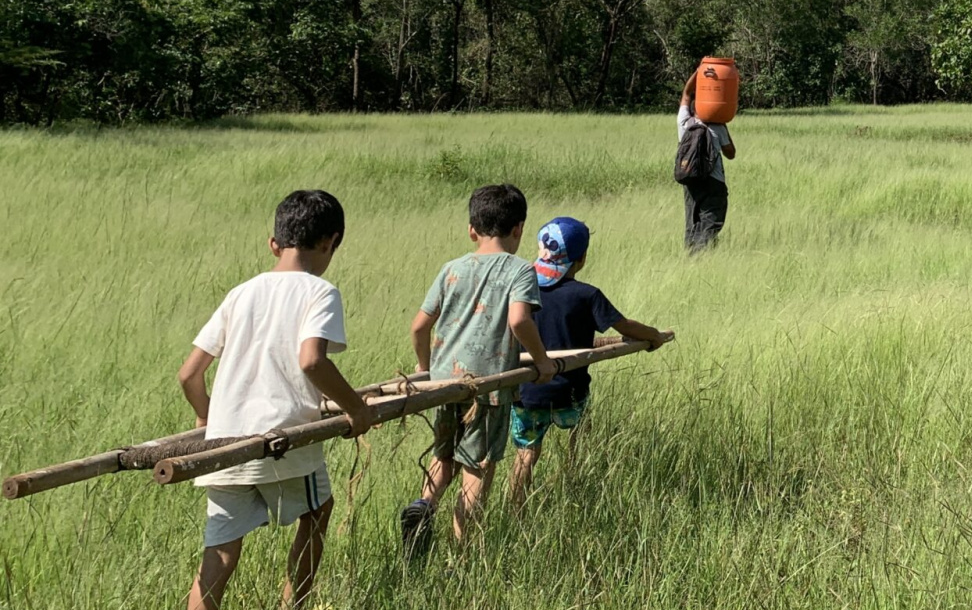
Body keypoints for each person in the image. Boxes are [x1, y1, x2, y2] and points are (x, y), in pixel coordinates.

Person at [177, 190, 375, 610]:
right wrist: (357, 408)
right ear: (331, 242)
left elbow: (189, 374)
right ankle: (295, 604)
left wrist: (207, 419)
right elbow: (311, 361)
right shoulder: (319, 292)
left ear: (273, 244)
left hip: (225, 445)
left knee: (221, 552)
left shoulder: (241, 293)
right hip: (282, 440)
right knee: (319, 511)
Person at [404, 184, 556, 545]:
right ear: (519, 229)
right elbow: (520, 321)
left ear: (472, 230)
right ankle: (463, 553)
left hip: (443, 384)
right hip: (488, 390)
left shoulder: (451, 268)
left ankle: (423, 505)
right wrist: (542, 361)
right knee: (478, 467)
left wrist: (426, 368)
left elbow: (419, 326)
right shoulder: (520, 270)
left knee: (444, 456)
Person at [508, 217, 669, 511]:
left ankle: (516, 510)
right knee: (580, 441)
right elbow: (625, 326)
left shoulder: (521, 292)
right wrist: (654, 335)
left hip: (526, 392)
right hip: (571, 391)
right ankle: (574, 491)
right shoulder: (586, 295)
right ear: (581, 259)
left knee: (526, 455)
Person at [678, 68, 736, 254]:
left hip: (690, 179)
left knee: (692, 220)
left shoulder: (685, 122)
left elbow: (686, 93)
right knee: (711, 221)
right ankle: (701, 257)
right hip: (714, 182)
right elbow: (731, 153)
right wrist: (721, 119)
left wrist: (699, 71)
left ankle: (690, 254)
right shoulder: (717, 127)